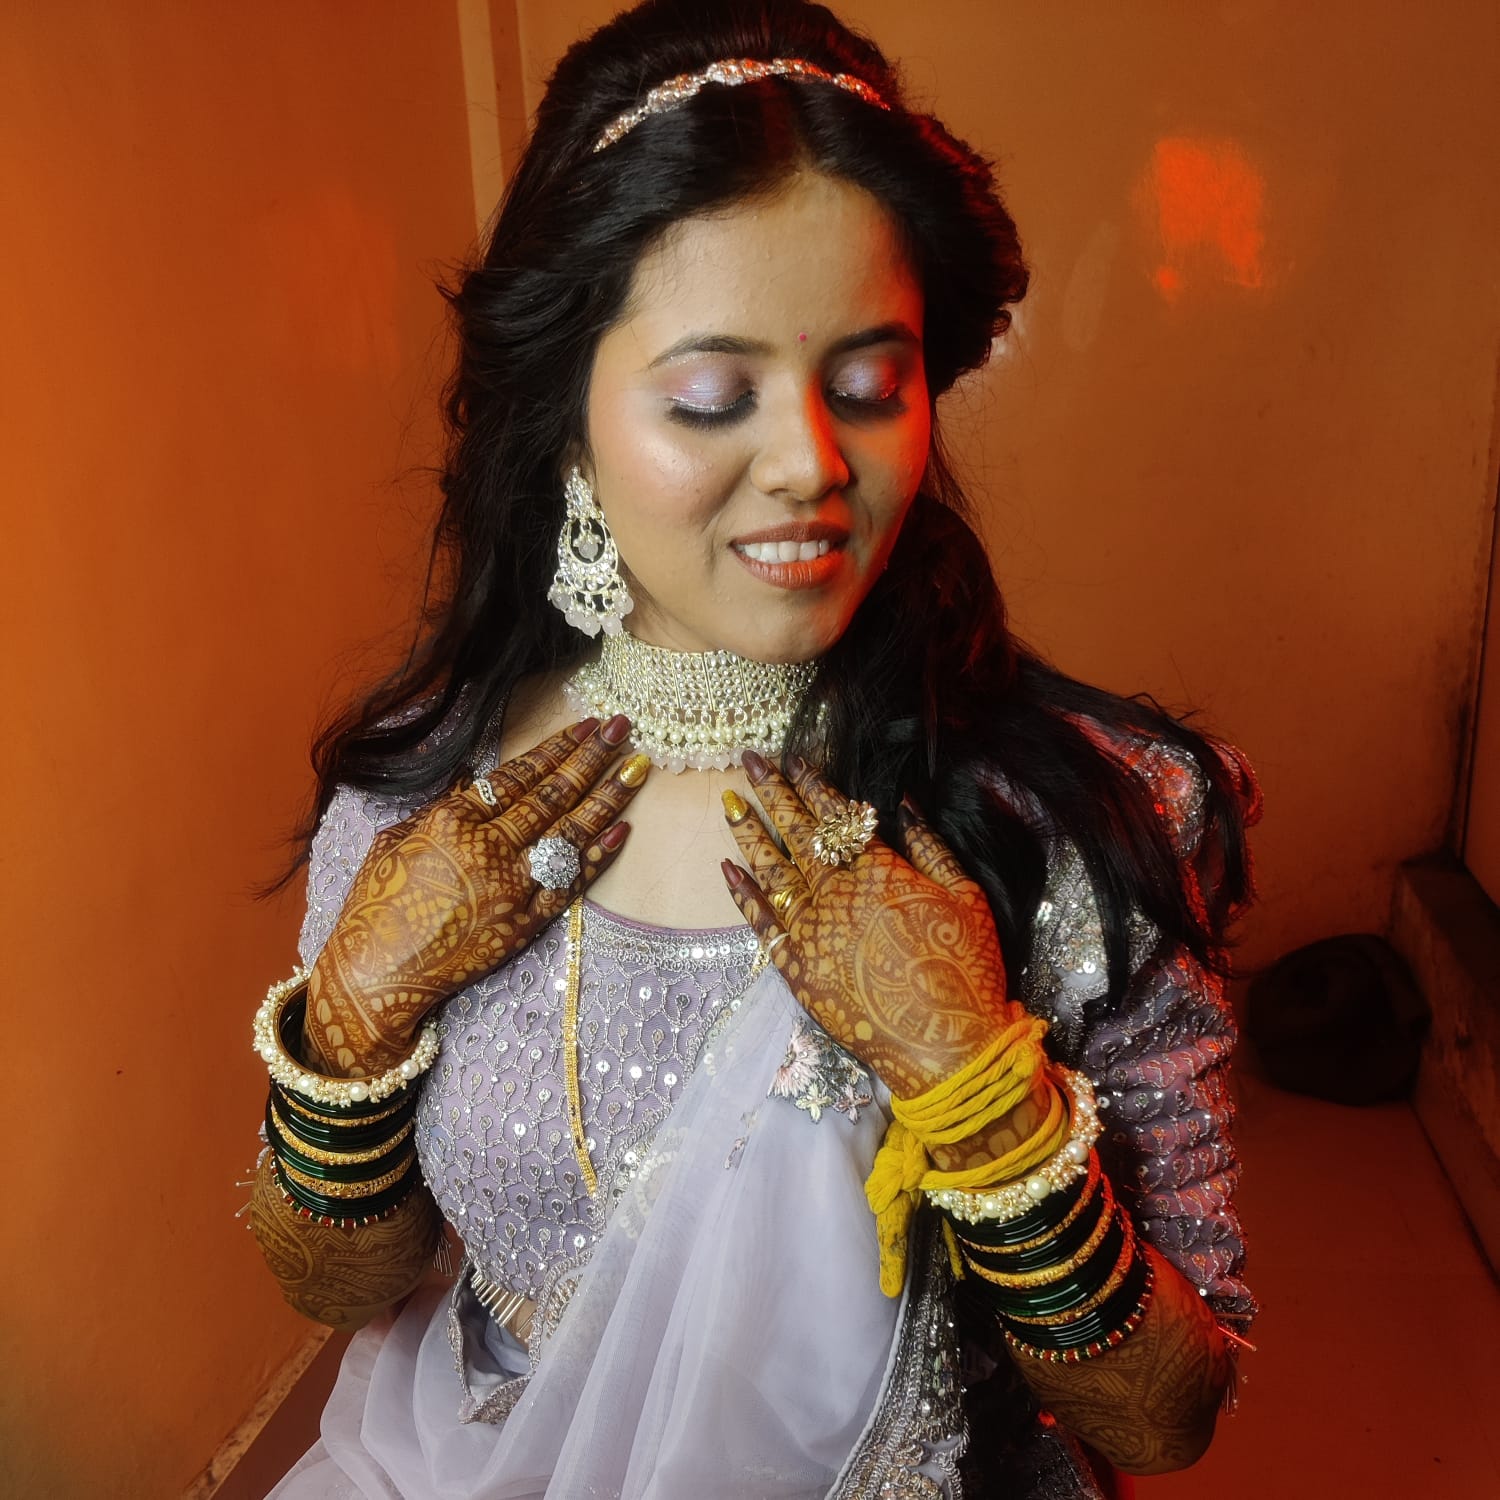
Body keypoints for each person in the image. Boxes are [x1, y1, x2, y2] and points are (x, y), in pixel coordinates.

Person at [248, 2, 1260, 1495]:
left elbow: (1164, 1418)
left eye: (867, 386)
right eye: (712, 398)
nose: (809, 464)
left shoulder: (1073, 819)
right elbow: (338, 1285)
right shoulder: (427, 802)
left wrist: (979, 1091)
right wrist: (352, 1023)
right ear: (569, 424)